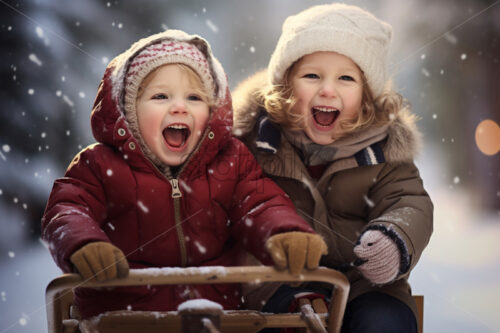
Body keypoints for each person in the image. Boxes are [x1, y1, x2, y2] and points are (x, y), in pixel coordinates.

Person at [41, 29, 327, 320]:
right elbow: (68, 209)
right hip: (123, 315)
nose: (179, 107)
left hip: (215, 312)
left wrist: (284, 232)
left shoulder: (231, 160)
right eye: (160, 96)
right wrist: (84, 243)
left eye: (194, 97)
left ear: (212, 111)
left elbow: (260, 204)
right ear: (128, 112)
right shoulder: (100, 164)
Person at [232, 3, 433, 332]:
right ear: (285, 86)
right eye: (311, 76)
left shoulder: (384, 151)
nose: (328, 89)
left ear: (367, 96)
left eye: (346, 78)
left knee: (383, 323)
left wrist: (395, 237)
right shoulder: (255, 143)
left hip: (366, 283)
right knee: (293, 322)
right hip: (279, 281)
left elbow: (409, 201)